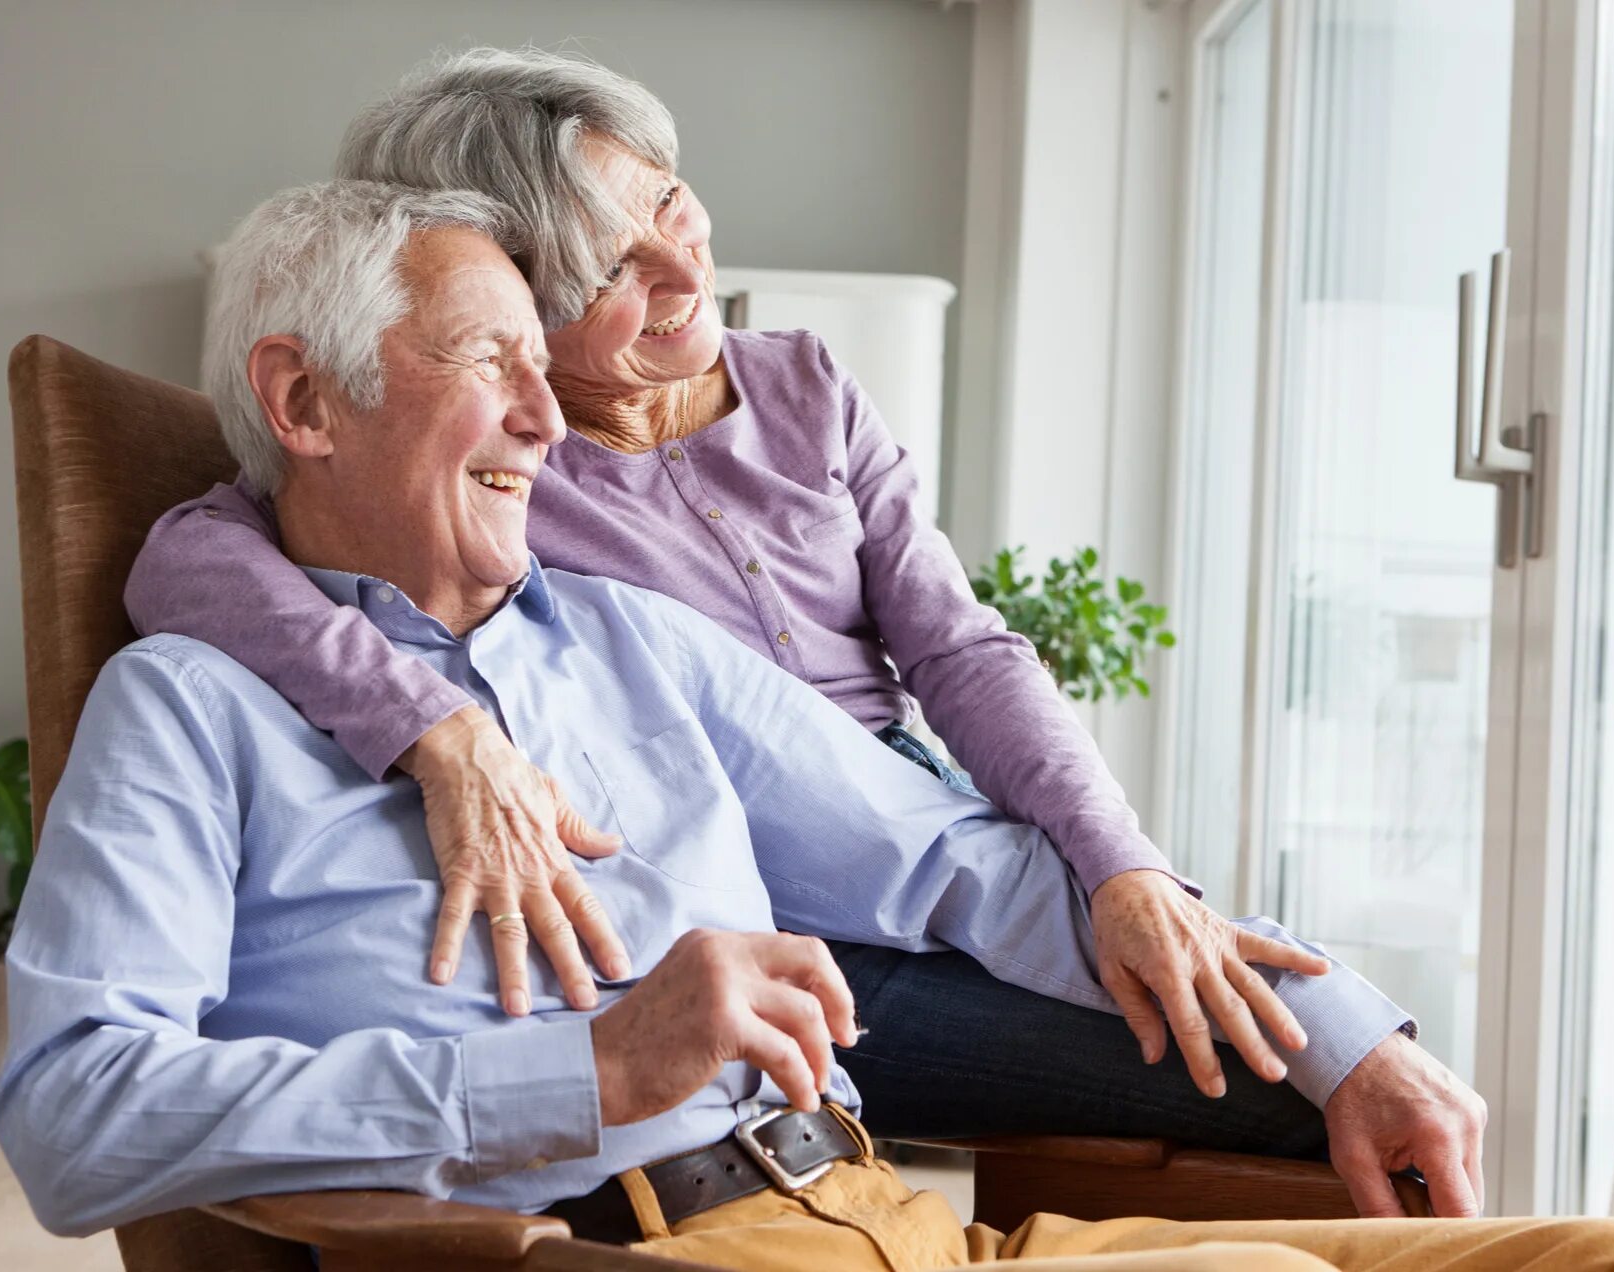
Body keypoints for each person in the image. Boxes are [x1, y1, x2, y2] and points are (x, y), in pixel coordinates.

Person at [0, 179, 1614, 1272]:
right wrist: (587, 1071)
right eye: (492, 363)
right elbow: (73, 1117)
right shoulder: (191, 708)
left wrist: (1341, 1034)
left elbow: (963, 868)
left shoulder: (627, 643)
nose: (554, 415)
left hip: (910, 1221)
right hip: (631, 1246)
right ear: (303, 399)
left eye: (553, 357)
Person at [122, 48, 1482, 1205]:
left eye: (670, 202)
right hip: (789, 930)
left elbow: (959, 651)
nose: (682, 264)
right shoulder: (493, 467)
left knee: (1295, 1020)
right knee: (1267, 1076)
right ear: (511, 303)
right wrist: (440, 733)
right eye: (613, 265)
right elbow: (197, 553)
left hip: (925, 832)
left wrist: (1122, 870)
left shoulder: (801, 386)